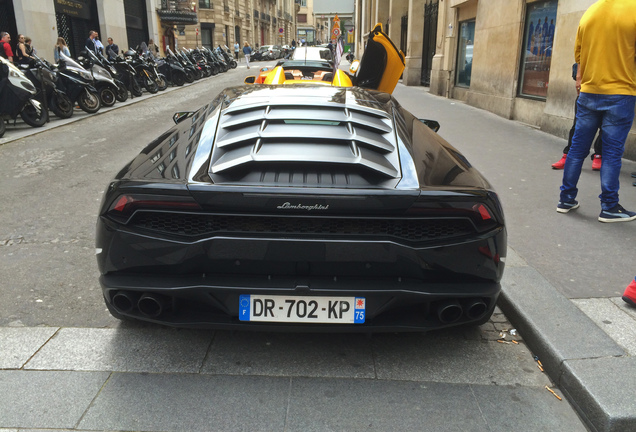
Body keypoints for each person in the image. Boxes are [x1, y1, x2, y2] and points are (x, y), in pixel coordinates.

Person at [557, 0, 636, 223]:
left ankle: (566, 199)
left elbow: (578, 54)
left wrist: (582, 79)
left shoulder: (590, 12)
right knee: (611, 153)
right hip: (621, 92)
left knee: (577, 149)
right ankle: (609, 206)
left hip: (589, 92)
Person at [552, 63, 603, 170]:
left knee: (606, 128)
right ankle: (568, 155)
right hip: (587, 90)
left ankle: (599, 155)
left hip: (612, 92)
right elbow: (579, 56)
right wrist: (579, 78)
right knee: (578, 126)